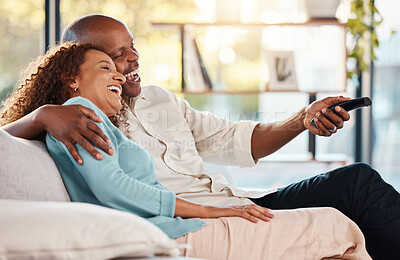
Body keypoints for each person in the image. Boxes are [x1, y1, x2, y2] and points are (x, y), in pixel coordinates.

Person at [0, 14, 398, 259]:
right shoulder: (79, 119)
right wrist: (40, 115)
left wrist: (302, 118)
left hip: (240, 203)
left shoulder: (159, 100)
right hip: (197, 220)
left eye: (132, 48)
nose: (133, 61)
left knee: (354, 182)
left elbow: (239, 139)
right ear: (79, 66)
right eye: (115, 57)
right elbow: (8, 147)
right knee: (341, 219)